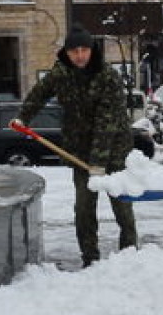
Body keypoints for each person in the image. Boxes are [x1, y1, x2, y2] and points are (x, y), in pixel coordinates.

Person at [13, 26, 137, 268]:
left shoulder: (107, 76)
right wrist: (23, 118)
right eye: (74, 51)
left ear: (92, 51)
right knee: (83, 209)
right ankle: (90, 259)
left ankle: (130, 255)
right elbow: (39, 94)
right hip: (79, 150)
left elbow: (107, 122)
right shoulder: (60, 73)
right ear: (66, 53)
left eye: (84, 50)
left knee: (121, 206)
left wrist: (99, 162)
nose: (79, 55)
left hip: (113, 151)